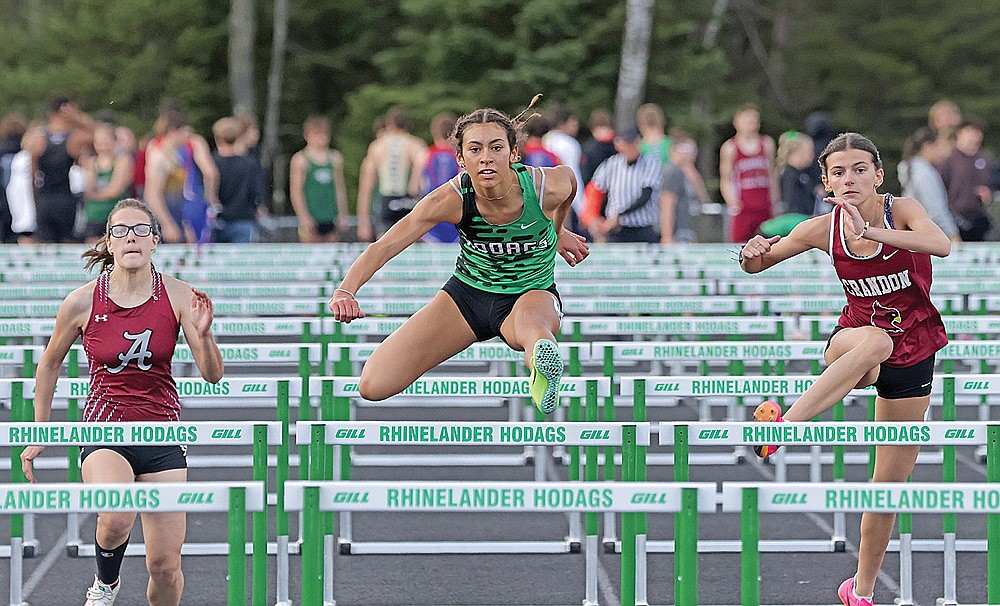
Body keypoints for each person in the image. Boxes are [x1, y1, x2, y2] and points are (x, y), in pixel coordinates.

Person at [739, 132, 951, 606]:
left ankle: (861, 590)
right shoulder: (821, 228)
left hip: (914, 355)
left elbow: (940, 245)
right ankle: (786, 426)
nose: (849, 178)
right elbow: (758, 263)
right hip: (855, 345)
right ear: (827, 184)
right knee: (876, 340)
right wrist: (750, 253)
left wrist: (870, 232)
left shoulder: (905, 211)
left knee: (887, 489)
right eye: (838, 172)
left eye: (859, 169)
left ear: (878, 176)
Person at [18, 198, 222, 606]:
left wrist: (205, 334)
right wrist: (40, 430)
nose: (131, 237)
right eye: (121, 230)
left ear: (155, 241)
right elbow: (48, 365)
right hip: (104, 429)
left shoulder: (180, 296)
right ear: (109, 243)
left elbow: (213, 374)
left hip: (162, 432)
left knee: (165, 567)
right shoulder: (81, 301)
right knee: (116, 514)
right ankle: (105, 584)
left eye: (141, 230)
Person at [328, 105, 589, 414]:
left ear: (513, 153)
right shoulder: (450, 198)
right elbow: (385, 245)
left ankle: (541, 363)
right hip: (467, 296)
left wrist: (558, 231)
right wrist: (346, 290)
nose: (486, 157)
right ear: (462, 159)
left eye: (496, 148)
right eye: (475, 149)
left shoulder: (545, 186)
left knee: (532, 327)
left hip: (530, 293)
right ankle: (538, 354)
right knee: (372, 385)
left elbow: (570, 186)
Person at [581, 125, 665, 243]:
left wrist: (619, 215)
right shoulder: (611, 164)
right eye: (626, 143)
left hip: (642, 228)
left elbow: (645, 196)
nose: (630, 147)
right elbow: (594, 191)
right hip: (617, 230)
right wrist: (591, 218)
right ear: (618, 144)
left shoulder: (651, 164)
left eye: (633, 143)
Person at [355, 106, 426, 241]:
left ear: (389, 124)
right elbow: (423, 170)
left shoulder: (377, 146)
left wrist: (363, 223)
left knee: (384, 247)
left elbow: (365, 188)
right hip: (408, 200)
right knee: (411, 247)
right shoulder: (415, 144)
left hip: (387, 201)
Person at [720, 104, 778, 242]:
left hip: (764, 205)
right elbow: (726, 177)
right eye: (746, 119)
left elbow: (771, 174)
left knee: (769, 245)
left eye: (754, 119)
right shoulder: (730, 147)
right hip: (743, 207)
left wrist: (775, 200)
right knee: (740, 246)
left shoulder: (767, 143)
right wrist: (732, 201)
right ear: (737, 122)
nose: (751, 123)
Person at [289, 116, 349, 243]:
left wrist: (342, 214)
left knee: (332, 252)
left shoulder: (335, 158)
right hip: (311, 216)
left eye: (325, 134)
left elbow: (339, 188)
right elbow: (296, 191)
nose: (322, 138)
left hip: (330, 215)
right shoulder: (300, 159)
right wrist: (303, 216)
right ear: (308, 135)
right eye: (318, 134)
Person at [897, 127, 960, 241]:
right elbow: (935, 210)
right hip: (929, 233)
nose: (944, 153)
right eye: (940, 147)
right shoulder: (924, 173)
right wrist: (953, 234)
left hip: (913, 231)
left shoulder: (909, 168)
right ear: (928, 146)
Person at [211, 117, 266, 243]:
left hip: (216, 220)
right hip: (243, 219)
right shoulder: (250, 163)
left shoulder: (211, 163)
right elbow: (256, 193)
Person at [938, 120, 993, 242]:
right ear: (959, 134)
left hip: (980, 220)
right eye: (970, 132)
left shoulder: (986, 159)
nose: (974, 136)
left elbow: (993, 185)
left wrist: (989, 193)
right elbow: (940, 189)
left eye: (977, 132)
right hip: (954, 221)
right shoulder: (948, 160)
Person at [81, 122, 134, 243]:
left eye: (106, 141)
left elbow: (115, 190)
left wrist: (96, 195)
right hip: (94, 215)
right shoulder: (91, 162)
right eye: (98, 141)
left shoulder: (122, 161)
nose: (102, 145)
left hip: (116, 214)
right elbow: (88, 188)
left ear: (114, 141)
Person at [421, 112, 461, 243]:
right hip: (454, 207)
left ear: (435, 132)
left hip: (433, 207)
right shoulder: (459, 155)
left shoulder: (426, 153)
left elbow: (416, 186)